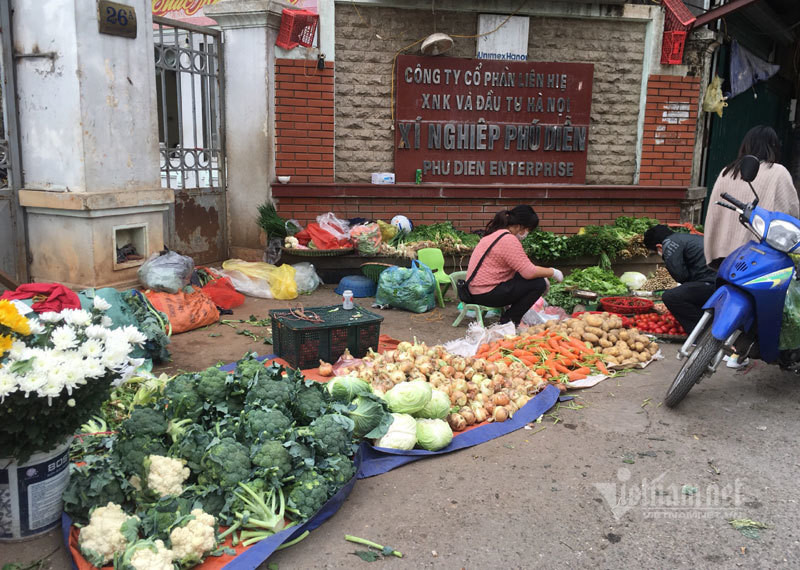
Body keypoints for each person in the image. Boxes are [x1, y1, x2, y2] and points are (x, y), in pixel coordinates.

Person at [704, 125, 800, 266]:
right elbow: (791, 215)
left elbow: (714, 214)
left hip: (722, 255)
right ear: (773, 146)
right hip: (755, 259)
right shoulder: (778, 172)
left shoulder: (727, 172)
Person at [463, 205, 564, 326]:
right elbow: (529, 271)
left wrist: (542, 274)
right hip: (486, 293)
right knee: (538, 284)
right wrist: (552, 272)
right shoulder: (508, 239)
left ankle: (509, 318)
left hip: (475, 290)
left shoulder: (495, 234)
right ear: (521, 226)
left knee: (532, 279)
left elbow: (521, 267)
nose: (527, 233)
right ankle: (509, 321)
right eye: (528, 230)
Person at [643, 225, 717, 336]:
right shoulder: (687, 238)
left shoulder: (669, 244)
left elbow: (681, 276)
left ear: (659, 247)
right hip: (721, 281)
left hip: (712, 284)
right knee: (688, 291)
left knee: (671, 297)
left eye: (656, 252)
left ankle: (702, 333)